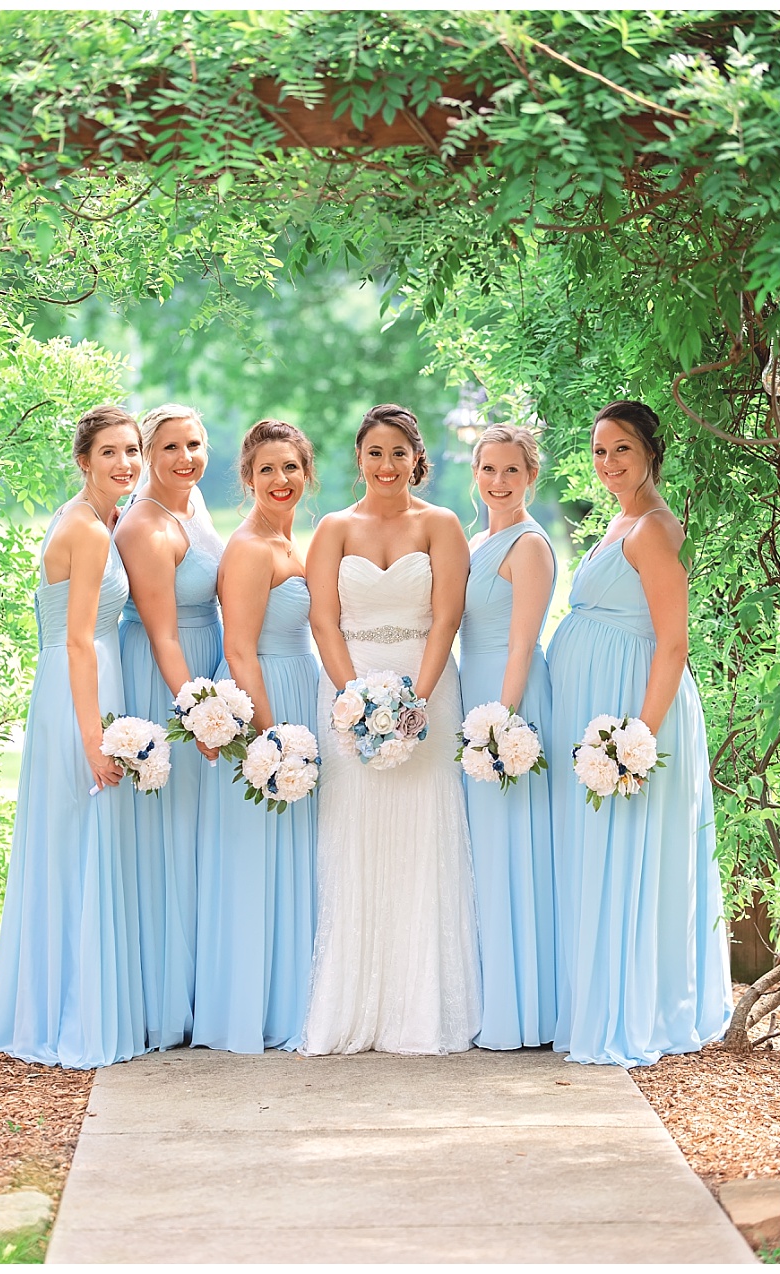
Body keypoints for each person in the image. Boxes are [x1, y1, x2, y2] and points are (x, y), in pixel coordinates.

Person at [546, 401, 730, 1066]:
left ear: (651, 449)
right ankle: (600, 1000)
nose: (608, 463)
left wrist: (637, 741)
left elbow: (673, 644)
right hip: (603, 707)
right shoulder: (619, 519)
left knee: (628, 855)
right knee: (601, 855)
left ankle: (635, 1012)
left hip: (634, 711)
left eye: (621, 449)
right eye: (599, 451)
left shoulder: (652, 528)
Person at [301, 403, 480, 1055]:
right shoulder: (332, 528)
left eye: (398, 453)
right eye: (374, 453)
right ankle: (354, 1004)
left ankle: (420, 1006)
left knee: (422, 835)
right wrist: (353, 698)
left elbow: (447, 617)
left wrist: (417, 701)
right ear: (358, 458)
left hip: (425, 683)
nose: (386, 465)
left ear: (416, 460)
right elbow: (323, 620)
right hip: (348, 688)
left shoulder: (441, 525)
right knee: (354, 835)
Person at [0, 405, 148, 1068]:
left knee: (74, 842)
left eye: (132, 450)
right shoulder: (90, 530)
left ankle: (62, 1001)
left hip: (75, 680)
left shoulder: (88, 518)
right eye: (110, 452)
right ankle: (72, 1015)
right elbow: (77, 639)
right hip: (81, 686)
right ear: (84, 461)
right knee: (81, 838)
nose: (125, 463)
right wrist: (93, 736)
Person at [198, 420, 322, 1053]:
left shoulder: (292, 541)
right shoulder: (249, 548)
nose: (281, 480)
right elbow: (238, 649)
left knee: (295, 855)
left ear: (307, 474)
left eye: (291, 468)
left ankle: (298, 996)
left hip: (301, 688)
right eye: (267, 469)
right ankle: (254, 1007)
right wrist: (272, 736)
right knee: (259, 856)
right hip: (265, 702)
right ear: (247, 477)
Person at [114, 404, 223, 1051]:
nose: (186, 458)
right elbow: (160, 633)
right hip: (166, 677)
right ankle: (164, 1001)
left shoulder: (190, 509)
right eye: (171, 447)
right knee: (169, 835)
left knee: (194, 837)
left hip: (199, 663)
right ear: (148, 454)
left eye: (195, 444)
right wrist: (199, 713)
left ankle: (197, 987)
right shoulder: (147, 528)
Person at [460, 425, 558, 1049]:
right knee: (484, 851)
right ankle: (491, 994)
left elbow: (522, 641)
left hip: (510, 699)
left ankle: (525, 1012)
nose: (498, 482)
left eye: (511, 472)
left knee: (513, 847)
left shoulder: (529, 546)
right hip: (475, 692)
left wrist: (503, 723)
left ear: (531, 477)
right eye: (489, 470)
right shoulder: (478, 540)